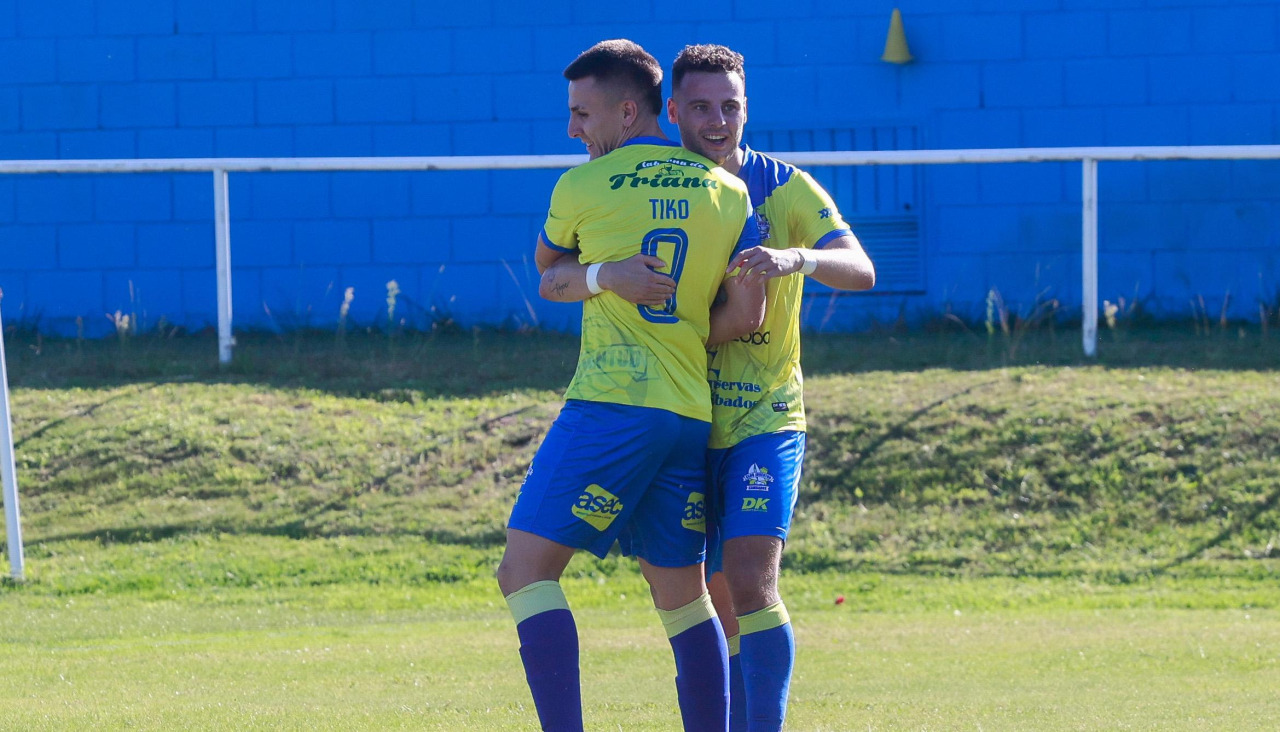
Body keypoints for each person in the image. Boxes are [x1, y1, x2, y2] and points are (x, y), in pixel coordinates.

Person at [495, 39, 762, 732]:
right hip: (687, 415)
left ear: (626, 110)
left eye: (582, 114)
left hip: (612, 404)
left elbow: (550, 273)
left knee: (523, 573)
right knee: (680, 596)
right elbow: (747, 313)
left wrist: (601, 277)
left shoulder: (581, 186)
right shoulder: (731, 192)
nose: (573, 129)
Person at [667, 44, 877, 732]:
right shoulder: (660, 188)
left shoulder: (784, 187)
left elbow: (860, 269)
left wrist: (799, 257)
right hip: (683, 417)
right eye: (701, 106)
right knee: (714, 593)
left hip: (765, 416)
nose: (718, 119)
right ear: (673, 111)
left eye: (730, 105)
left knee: (753, 578)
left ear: (746, 108)